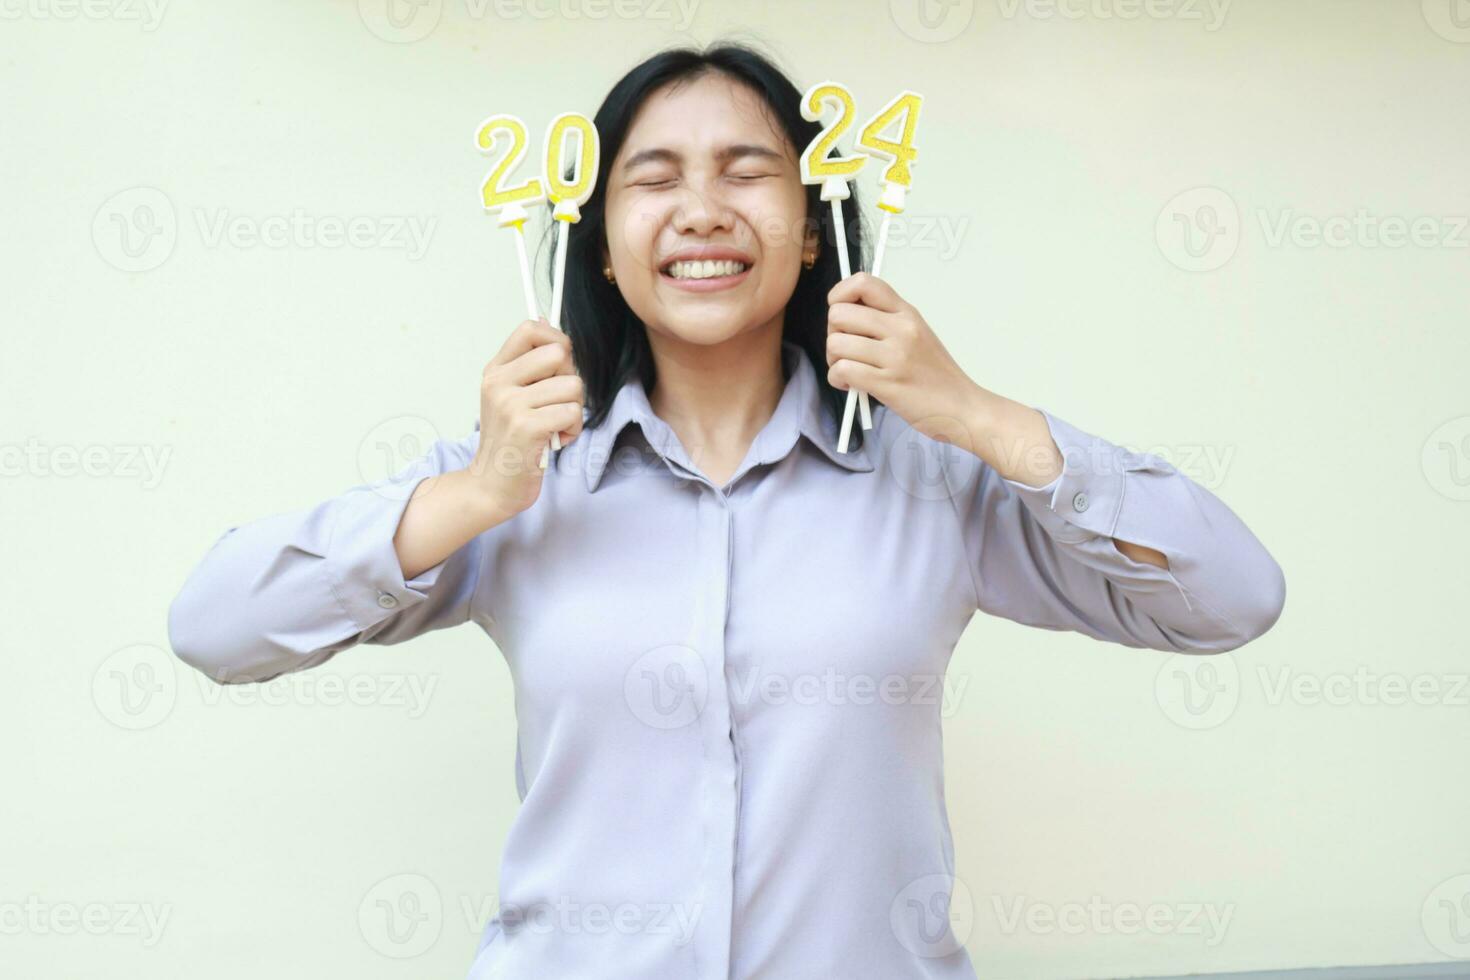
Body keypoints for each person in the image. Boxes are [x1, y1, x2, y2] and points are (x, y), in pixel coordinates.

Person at [167, 42, 1285, 980]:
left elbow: (1231, 597)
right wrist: (474, 493)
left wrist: (979, 412)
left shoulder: (931, 473)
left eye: (748, 171)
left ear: (812, 226)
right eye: (652, 179)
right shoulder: (516, 479)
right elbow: (214, 626)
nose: (702, 209)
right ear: (600, 246)